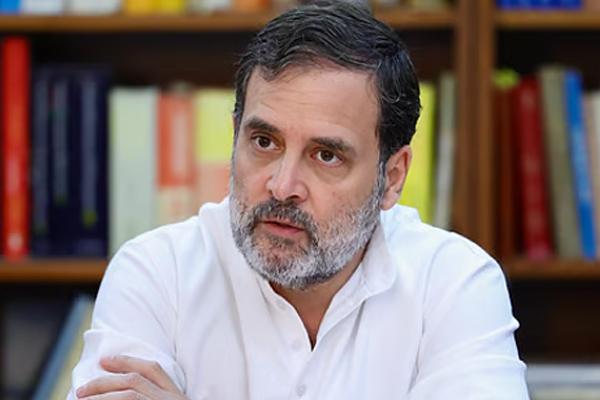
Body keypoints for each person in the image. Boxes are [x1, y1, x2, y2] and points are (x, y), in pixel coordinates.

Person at [69, 1, 530, 399]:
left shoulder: (454, 283)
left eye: (326, 155)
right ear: (235, 136)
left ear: (392, 177)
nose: (282, 185)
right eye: (264, 142)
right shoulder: (156, 273)